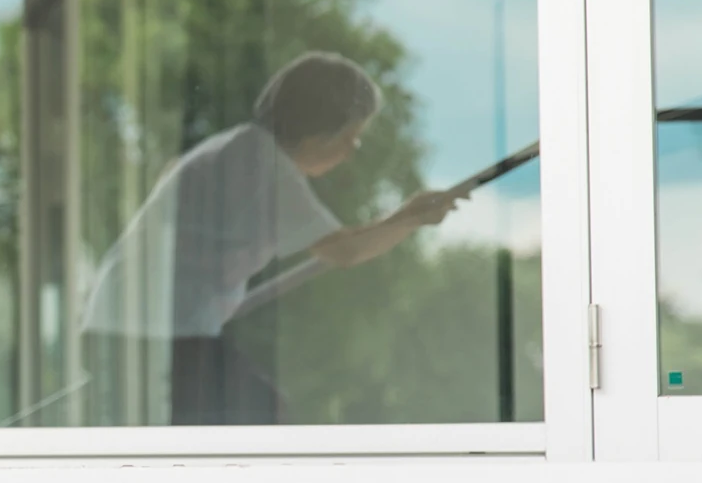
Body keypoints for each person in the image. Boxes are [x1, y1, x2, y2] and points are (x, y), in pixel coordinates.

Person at [79, 51, 465, 425]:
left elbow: (340, 240)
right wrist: (412, 221)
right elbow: (345, 250)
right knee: (260, 413)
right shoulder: (265, 168)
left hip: (122, 324)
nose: (352, 151)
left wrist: (404, 216)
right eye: (352, 136)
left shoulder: (238, 148)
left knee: (243, 414)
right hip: (156, 331)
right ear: (320, 130)